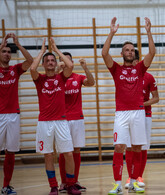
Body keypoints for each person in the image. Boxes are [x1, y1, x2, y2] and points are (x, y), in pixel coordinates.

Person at [102, 17, 155, 195]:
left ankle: (133, 181)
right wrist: (111, 32)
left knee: (137, 148)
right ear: (122, 53)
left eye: (132, 50)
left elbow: (152, 53)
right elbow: (104, 53)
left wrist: (148, 32)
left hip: (139, 113)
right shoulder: (116, 69)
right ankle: (117, 184)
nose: (130, 52)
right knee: (119, 147)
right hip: (122, 114)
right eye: (127, 50)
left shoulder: (140, 69)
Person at [30, 38, 81, 195]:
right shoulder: (40, 79)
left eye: (53, 60)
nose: (51, 62)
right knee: (48, 155)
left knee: (68, 154)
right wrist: (41, 52)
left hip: (61, 121)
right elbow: (32, 68)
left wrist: (56, 50)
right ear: (44, 64)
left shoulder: (61, 78)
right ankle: (53, 186)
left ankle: (70, 184)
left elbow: (71, 65)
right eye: (48, 61)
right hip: (44, 123)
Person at [0, 33, 33, 195]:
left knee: (11, 151)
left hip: (13, 115)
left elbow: (30, 61)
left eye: (9, 52)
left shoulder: (15, 70)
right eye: (3, 51)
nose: (7, 54)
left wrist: (18, 44)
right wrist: (0, 45)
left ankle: (6, 186)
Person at [57, 52, 95, 193]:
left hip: (77, 118)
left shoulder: (78, 77)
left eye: (68, 60)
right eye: (63, 60)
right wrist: (57, 70)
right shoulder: (56, 78)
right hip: (62, 119)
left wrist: (85, 68)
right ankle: (63, 182)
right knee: (64, 151)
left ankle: (74, 181)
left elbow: (91, 83)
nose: (66, 63)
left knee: (76, 150)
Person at [125, 50, 159, 189]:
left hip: (145, 115)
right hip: (128, 115)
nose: (133, 65)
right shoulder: (124, 76)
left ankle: (139, 176)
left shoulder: (149, 77)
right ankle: (130, 177)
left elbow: (156, 98)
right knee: (128, 146)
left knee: (142, 147)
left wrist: (141, 104)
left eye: (135, 62)